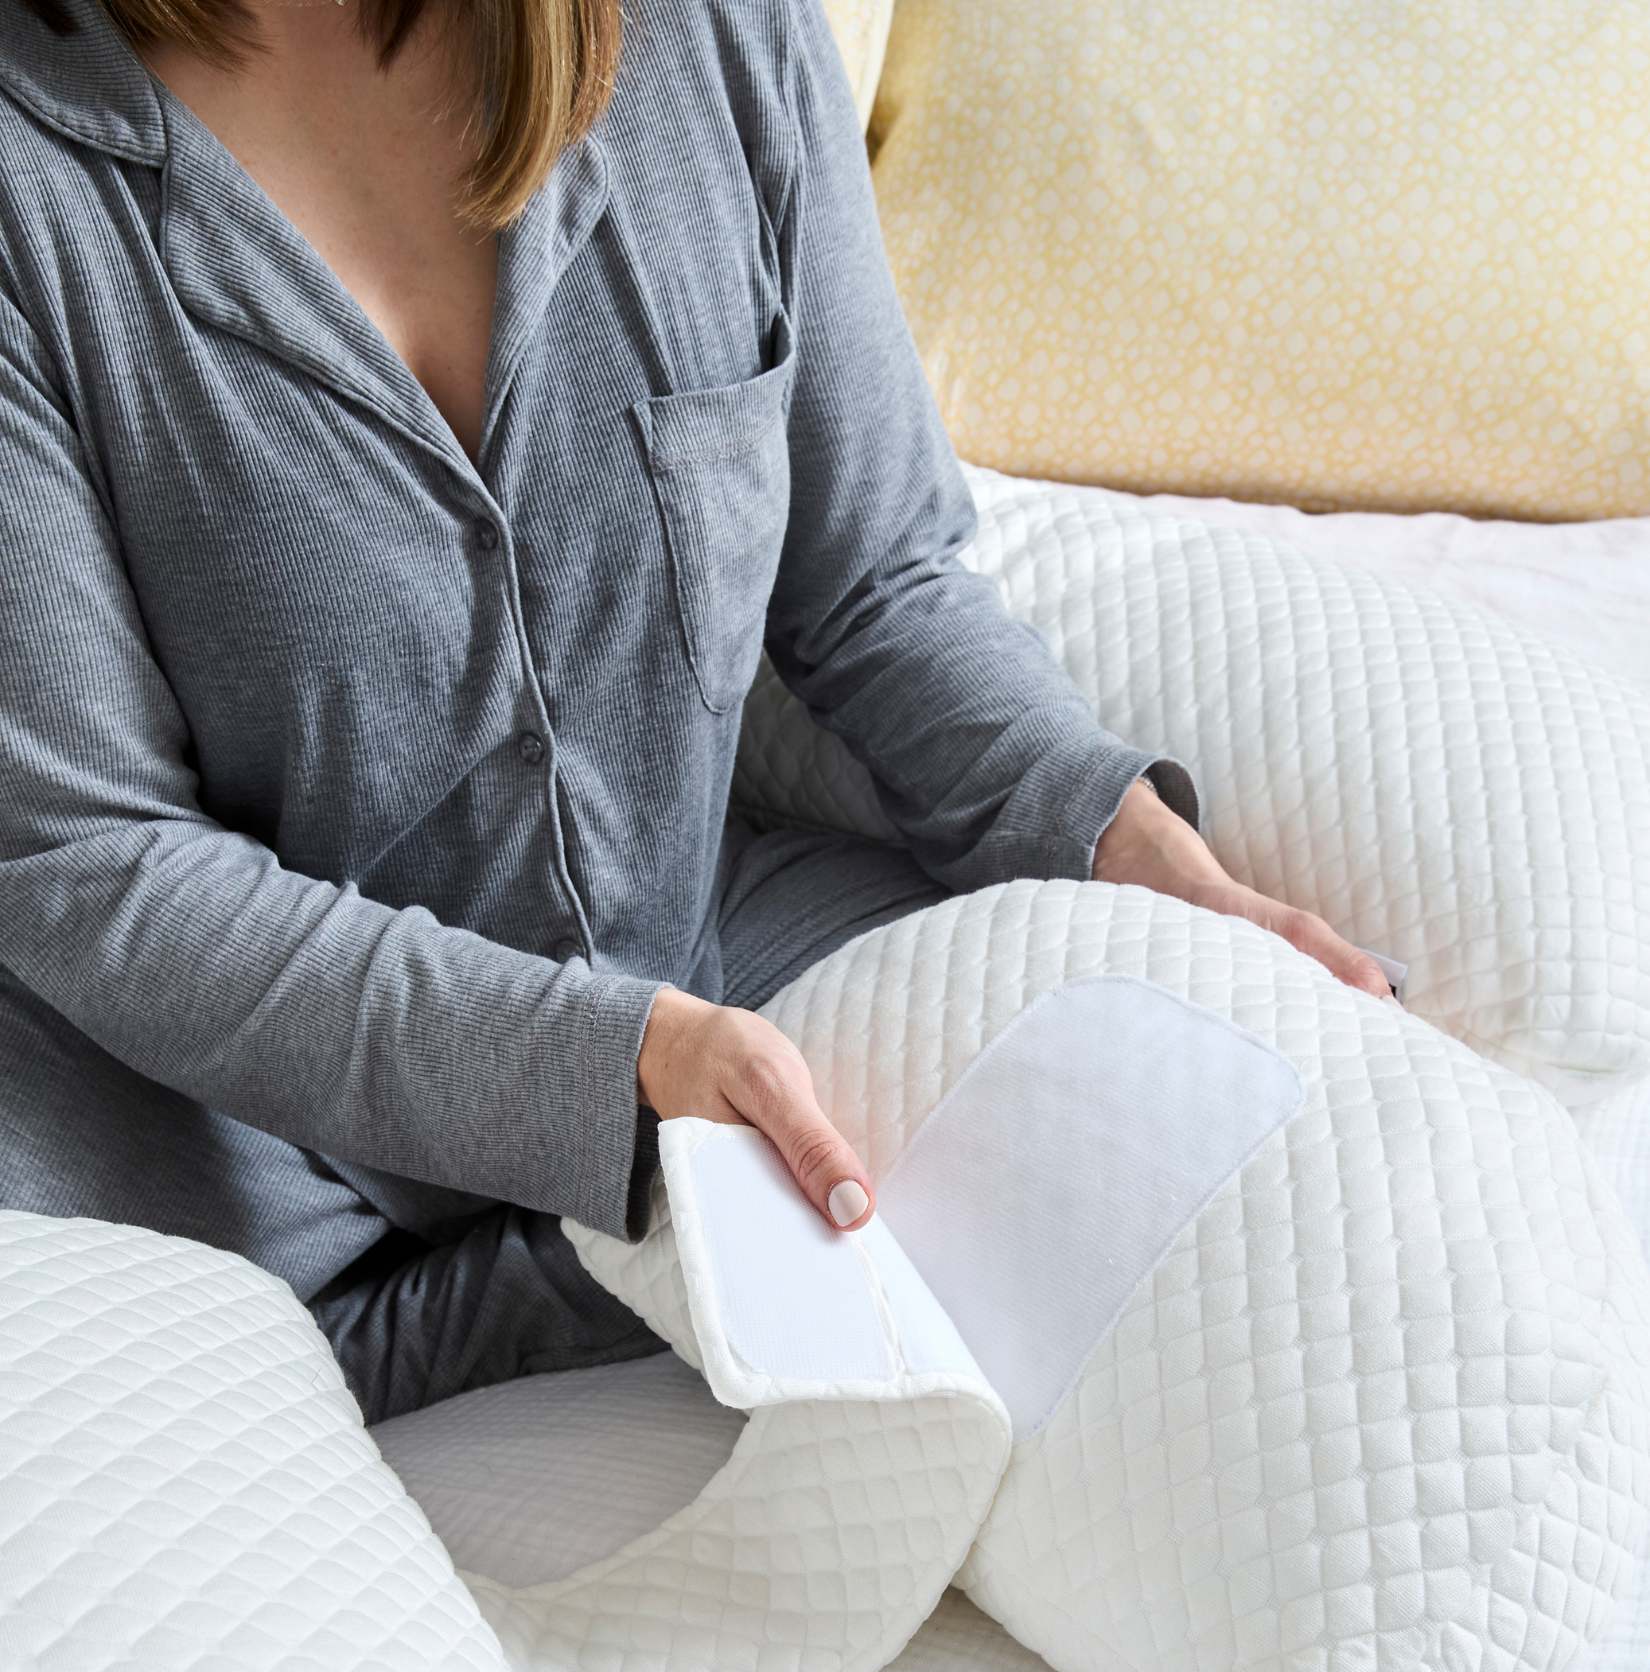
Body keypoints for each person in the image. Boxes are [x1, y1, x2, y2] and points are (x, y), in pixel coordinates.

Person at [0, 0, 1389, 1421]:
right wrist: (614, 1068)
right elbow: (91, 859)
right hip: (217, 1156)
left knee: (1288, 1190)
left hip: (707, 996)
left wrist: (1112, 840)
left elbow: (869, 583)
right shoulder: (29, 186)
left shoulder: (708, 33)